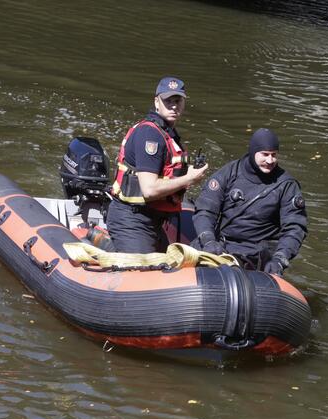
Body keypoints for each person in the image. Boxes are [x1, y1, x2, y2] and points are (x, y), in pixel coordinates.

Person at [106, 76, 208, 253]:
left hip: (152, 220)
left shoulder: (168, 134)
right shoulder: (150, 135)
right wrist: (188, 179)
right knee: (142, 275)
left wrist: (189, 174)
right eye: (168, 100)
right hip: (132, 219)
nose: (173, 106)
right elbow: (149, 189)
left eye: (178, 101)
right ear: (156, 102)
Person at [191, 128, 307, 276]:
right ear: (253, 152)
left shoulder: (286, 185)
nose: (270, 160)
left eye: (274, 155)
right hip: (221, 247)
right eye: (265, 155)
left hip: (258, 255)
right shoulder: (229, 173)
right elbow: (205, 210)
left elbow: (294, 227)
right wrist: (208, 240)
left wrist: (280, 259)